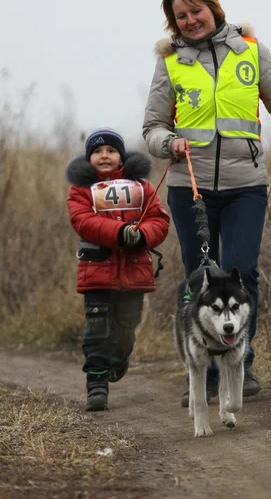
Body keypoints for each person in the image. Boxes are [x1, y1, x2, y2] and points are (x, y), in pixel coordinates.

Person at [143, 0, 271, 407]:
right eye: (180, 16)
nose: (190, 20)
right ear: (174, 23)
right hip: (191, 188)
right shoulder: (170, 63)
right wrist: (170, 143)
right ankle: (199, 369)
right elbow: (152, 129)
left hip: (246, 186)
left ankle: (240, 361)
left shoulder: (251, 52)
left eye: (195, 11)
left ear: (213, 8)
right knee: (199, 277)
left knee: (241, 271)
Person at [66, 128, 170, 411]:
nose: (104, 156)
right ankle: (96, 385)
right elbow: (83, 221)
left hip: (134, 274)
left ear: (121, 156)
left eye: (111, 151)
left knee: (127, 326)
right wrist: (120, 231)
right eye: (97, 152)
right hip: (97, 273)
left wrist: (143, 234)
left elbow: (159, 220)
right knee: (97, 331)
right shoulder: (81, 190)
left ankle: (119, 358)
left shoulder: (142, 187)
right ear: (89, 158)